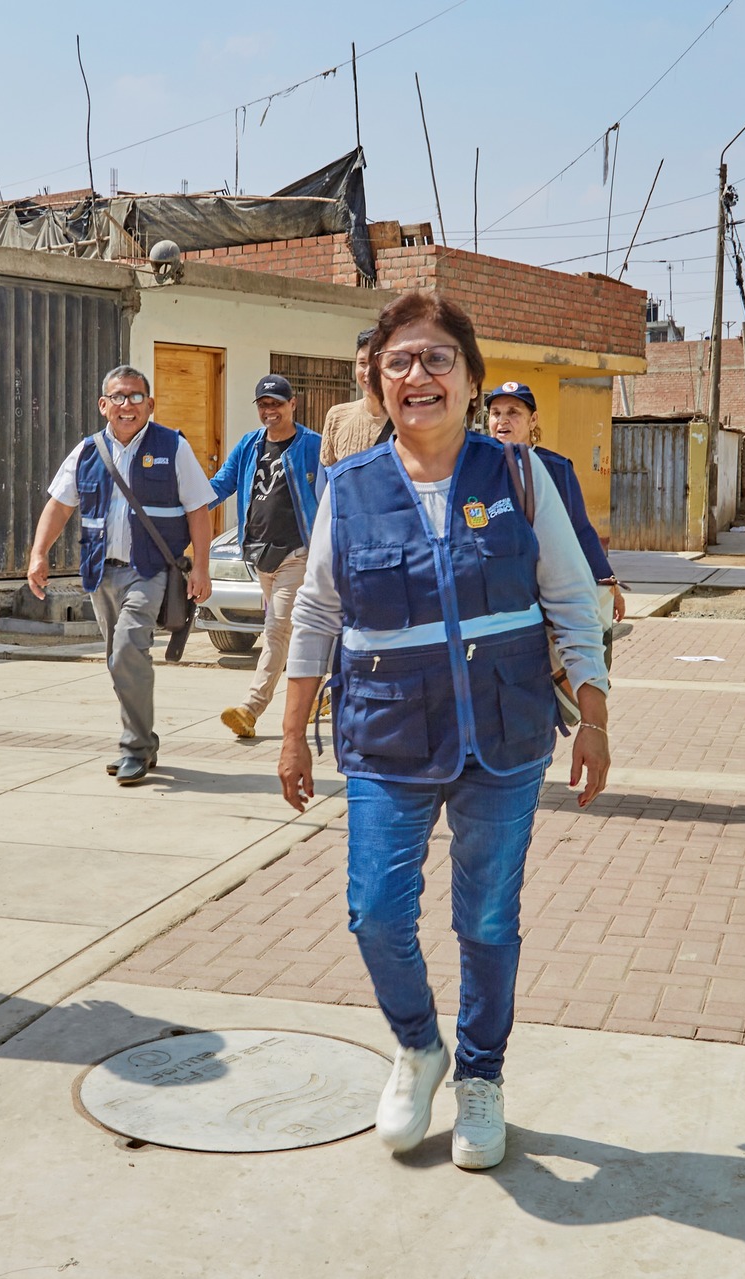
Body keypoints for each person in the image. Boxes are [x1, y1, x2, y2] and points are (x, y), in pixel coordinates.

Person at [279, 291, 610, 1171]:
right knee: (376, 912)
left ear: (467, 380)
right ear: (376, 382)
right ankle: (420, 1045)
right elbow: (317, 609)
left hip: (504, 735)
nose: (417, 376)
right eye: (399, 363)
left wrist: (596, 716)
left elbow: (572, 599)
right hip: (387, 736)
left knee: (488, 920)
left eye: (436, 361)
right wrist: (289, 729)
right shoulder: (347, 488)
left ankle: (483, 1076)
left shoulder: (515, 477)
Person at [25, 365, 214, 786]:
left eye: (135, 397)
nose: (127, 405)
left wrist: (200, 565)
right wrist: (39, 554)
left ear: (150, 404)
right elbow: (59, 505)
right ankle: (144, 740)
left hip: (150, 571)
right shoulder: (87, 452)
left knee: (128, 649)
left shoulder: (173, 446)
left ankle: (133, 748)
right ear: (103, 405)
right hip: (100, 572)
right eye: (119, 397)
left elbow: (198, 509)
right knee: (118, 661)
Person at [208, 374, 323, 739]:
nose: (269, 410)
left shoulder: (313, 446)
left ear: (293, 404)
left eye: (276, 403)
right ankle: (320, 695)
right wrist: (184, 510)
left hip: (297, 554)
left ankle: (251, 708)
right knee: (298, 631)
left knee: (276, 629)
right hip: (260, 557)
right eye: (263, 404)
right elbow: (220, 485)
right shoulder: (249, 445)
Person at [482, 380, 626, 627]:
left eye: (513, 413)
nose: (502, 420)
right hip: (491, 596)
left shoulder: (556, 469)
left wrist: (606, 581)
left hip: (543, 594)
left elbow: (580, 529)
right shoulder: (477, 469)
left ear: (533, 420)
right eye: (496, 413)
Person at [318, 327, 390, 467]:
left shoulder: (407, 421)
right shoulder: (337, 417)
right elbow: (325, 481)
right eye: (362, 363)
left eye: (377, 364)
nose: (368, 372)